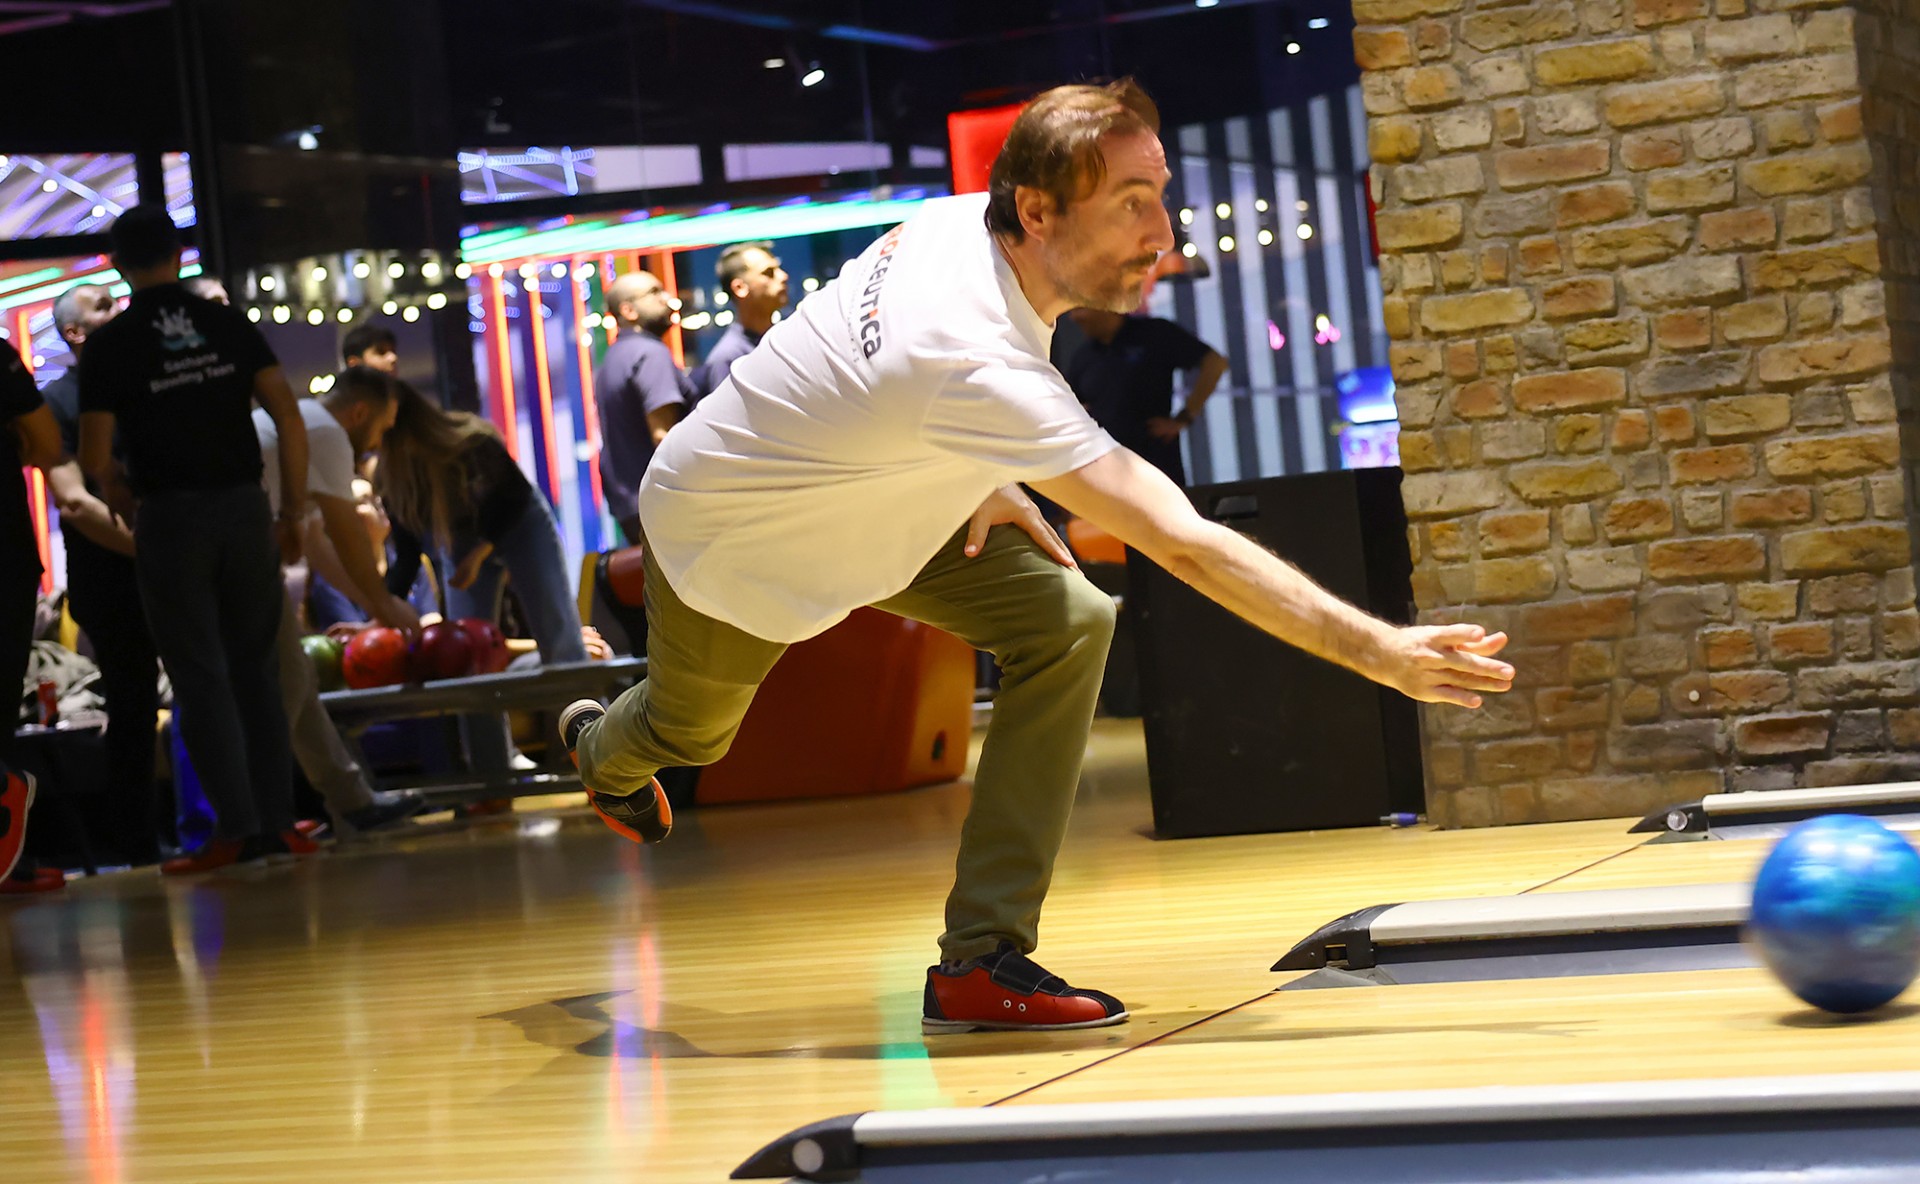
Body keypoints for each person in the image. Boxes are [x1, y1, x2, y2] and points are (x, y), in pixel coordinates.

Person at [558, 80, 1514, 1034]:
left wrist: (982, 467)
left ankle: (980, 959)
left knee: (1069, 619)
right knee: (693, 735)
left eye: (1159, 194)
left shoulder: (955, 227)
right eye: (1130, 203)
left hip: (882, 498)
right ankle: (600, 749)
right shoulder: (968, 360)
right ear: (1037, 210)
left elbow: (873, 383)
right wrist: (1381, 652)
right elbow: (1183, 544)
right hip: (733, 530)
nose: (1162, 233)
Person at [79, 205, 311, 875]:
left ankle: (234, 830)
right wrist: (292, 510)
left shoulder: (111, 345)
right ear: (179, 255)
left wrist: (120, 491)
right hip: (244, 507)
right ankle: (280, 823)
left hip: (170, 517)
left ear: (118, 265)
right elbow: (288, 415)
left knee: (199, 675)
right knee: (257, 670)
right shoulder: (225, 322)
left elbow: (94, 454)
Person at [376, 380, 590, 773]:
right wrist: (378, 610)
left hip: (520, 523)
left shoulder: (469, 442)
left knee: (560, 641)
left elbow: (512, 501)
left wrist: (478, 555)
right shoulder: (393, 477)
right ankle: (492, 776)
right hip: (462, 541)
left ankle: (598, 758)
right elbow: (405, 558)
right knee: (466, 658)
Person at [255, 365, 427, 835]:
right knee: (287, 683)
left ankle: (352, 802)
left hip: (241, 557)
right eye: (382, 428)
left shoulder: (303, 423)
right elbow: (344, 528)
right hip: (240, 558)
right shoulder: (324, 431)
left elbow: (317, 545)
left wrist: (376, 604)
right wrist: (384, 604)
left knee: (296, 679)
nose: (377, 443)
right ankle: (263, 821)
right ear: (359, 413)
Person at [41, 283, 163, 865]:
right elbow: (74, 500)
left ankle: (219, 825)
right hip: (110, 577)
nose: (118, 309)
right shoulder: (57, 400)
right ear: (75, 332)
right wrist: (152, 550)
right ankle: (138, 844)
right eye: (103, 305)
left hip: (159, 560)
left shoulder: (142, 385)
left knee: (201, 692)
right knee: (133, 705)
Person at [1063, 308, 1228, 487]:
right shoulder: (1083, 355)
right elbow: (1073, 403)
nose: (1075, 318)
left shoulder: (1154, 333)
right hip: (1106, 466)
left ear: (1104, 307)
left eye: (1080, 309)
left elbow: (1215, 363)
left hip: (1154, 461)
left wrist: (1185, 416)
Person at [593, 270, 692, 544]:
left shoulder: (613, 358)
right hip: (666, 505)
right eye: (654, 293)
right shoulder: (649, 353)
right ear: (628, 310)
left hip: (632, 507)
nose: (668, 299)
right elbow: (664, 437)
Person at [691, 241, 787, 399]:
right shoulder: (728, 359)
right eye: (768, 273)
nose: (783, 276)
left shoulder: (782, 339)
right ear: (740, 288)